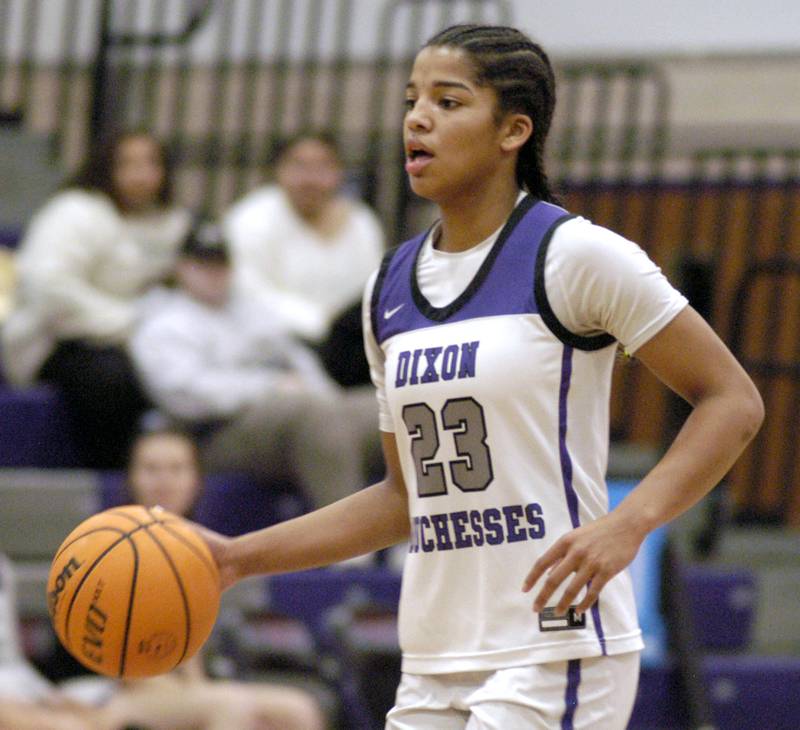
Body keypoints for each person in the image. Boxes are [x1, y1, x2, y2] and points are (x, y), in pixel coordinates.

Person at [197, 24, 764, 729]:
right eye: (411, 100)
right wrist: (235, 558)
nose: (418, 118)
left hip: (553, 646)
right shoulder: (388, 287)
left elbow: (733, 401)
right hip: (436, 656)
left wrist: (630, 524)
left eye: (448, 100)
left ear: (513, 130)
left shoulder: (574, 255)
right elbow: (401, 498)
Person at [130, 223, 379, 509]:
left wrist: (324, 395)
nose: (212, 274)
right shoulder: (163, 321)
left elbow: (294, 356)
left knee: (390, 406)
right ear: (182, 267)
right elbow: (185, 396)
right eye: (202, 264)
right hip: (211, 434)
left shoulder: (250, 309)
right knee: (315, 416)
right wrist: (269, 388)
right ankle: (350, 547)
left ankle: (414, 537)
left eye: (220, 265)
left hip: (289, 414)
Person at [96, 428, 327, 730]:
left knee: (299, 709)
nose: (164, 480)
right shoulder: (113, 549)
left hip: (194, 689)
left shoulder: (198, 547)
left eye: (176, 469)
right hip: (128, 692)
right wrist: (196, 693)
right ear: (131, 478)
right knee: (230, 705)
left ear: (196, 480)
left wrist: (199, 689)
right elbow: (119, 666)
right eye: (152, 469)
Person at [1, 129, 191, 468]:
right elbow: (50, 290)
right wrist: (127, 322)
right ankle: (113, 477)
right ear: (106, 168)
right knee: (111, 381)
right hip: (57, 341)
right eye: (128, 163)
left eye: (151, 163)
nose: (141, 175)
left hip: (145, 340)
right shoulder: (74, 212)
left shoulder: (174, 223)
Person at [223, 132, 385, 355]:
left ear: (339, 173)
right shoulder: (251, 217)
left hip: (350, 348)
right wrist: (322, 323)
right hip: (268, 345)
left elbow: (374, 287)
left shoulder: (361, 220)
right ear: (278, 170)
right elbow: (249, 290)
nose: (310, 179)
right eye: (299, 166)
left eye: (322, 167)